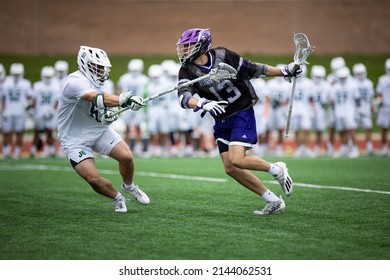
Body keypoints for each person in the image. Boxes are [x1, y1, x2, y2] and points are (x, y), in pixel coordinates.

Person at [175, 28, 300, 215]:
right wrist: (200, 102)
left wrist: (283, 71)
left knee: (237, 159)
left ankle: (277, 169)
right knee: (230, 168)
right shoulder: (186, 70)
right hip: (221, 118)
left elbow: (254, 69)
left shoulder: (223, 56)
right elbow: (183, 97)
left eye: (188, 47)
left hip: (241, 111)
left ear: (201, 46)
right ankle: (273, 200)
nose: (184, 51)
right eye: (183, 47)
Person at [57, 46, 150, 212]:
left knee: (127, 157)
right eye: (97, 66)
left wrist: (109, 116)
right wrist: (124, 100)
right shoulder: (74, 82)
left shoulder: (105, 83)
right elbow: (95, 98)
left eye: (103, 67)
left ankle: (129, 186)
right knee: (93, 179)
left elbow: (105, 110)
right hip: (74, 138)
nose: (101, 71)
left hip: (98, 130)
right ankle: (117, 198)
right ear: (85, 64)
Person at [1, 63, 33, 159]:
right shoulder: (6, 83)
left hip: (20, 111)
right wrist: (3, 110)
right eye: (14, 74)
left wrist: (28, 104)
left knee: (19, 132)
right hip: (8, 112)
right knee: (6, 132)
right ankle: (6, 151)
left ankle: (18, 151)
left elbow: (30, 97)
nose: (16, 76)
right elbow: (3, 98)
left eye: (18, 74)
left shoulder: (25, 83)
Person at [30, 66, 60, 158]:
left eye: (49, 77)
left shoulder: (56, 86)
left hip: (50, 113)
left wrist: (52, 110)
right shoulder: (37, 85)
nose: (47, 79)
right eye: (46, 77)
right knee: (37, 132)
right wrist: (34, 111)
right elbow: (34, 100)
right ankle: (33, 151)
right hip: (39, 112)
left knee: (50, 132)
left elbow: (56, 100)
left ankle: (51, 151)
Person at [352, 63, 375, 155]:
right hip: (355, 109)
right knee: (352, 129)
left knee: (368, 128)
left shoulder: (369, 83)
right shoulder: (352, 83)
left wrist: (372, 107)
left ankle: (369, 147)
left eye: (361, 73)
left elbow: (370, 97)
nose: (360, 75)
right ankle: (353, 147)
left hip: (365, 108)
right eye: (358, 73)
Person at [376, 58, 390, 156]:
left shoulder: (382, 79)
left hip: (385, 106)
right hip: (385, 106)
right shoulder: (382, 79)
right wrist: (378, 103)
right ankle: (384, 147)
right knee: (384, 128)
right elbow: (379, 94)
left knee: (384, 129)